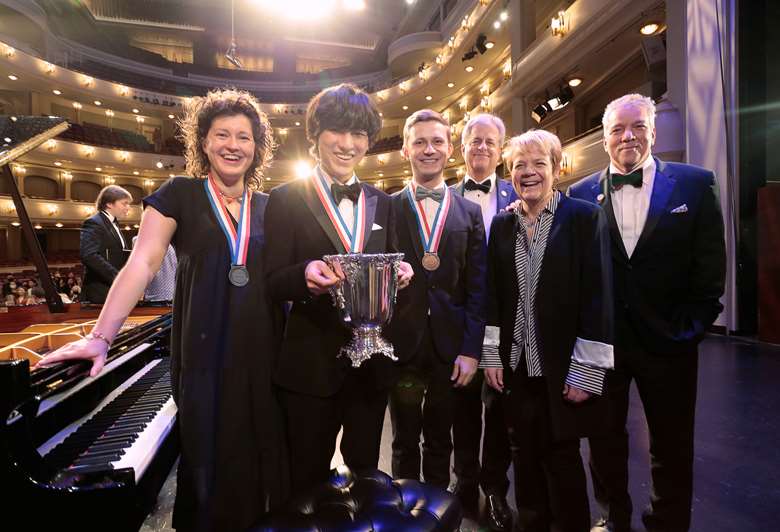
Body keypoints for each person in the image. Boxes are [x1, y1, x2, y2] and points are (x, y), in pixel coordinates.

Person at [39, 88, 289, 531]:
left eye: (245, 137)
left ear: (258, 147)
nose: (234, 144)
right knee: (209, 468)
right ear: (204, 143)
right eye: (222, 134)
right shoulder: (179, 194)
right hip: (204, 356)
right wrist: (101, 336)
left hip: (263, 356)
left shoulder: (271, 206)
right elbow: (142, 262)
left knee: (259, 468)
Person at [568, 93, 726, 532]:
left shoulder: (696, 184)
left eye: (637, 126)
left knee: (672, 443)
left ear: (653, 132)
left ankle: (669, 522)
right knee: (603, 441)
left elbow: (711, 267)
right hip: (605, 345)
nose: (628, 136)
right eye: (617, 129)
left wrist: (690, 330)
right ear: (604, 139)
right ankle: (613, 517)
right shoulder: (579, 195)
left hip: (669, 342)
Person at [264, 83, 413, 493]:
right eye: (337, 131)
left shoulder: (383, 201)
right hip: (310, 366)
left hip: (370, 369)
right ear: (315, 136)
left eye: (359, 134)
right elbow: (272, 280)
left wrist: (402, 274)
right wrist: (304, 274)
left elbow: (395, 258)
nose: (348, 144)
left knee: (367, 475)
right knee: (304, 478)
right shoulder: (283, 198)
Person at [482, 129, 614, 532]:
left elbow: (598, 296)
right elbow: (493, 297)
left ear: (557, 169)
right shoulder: (503, 226)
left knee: (563, 456)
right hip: (517, 367)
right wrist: (491, 355)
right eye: (519, 165)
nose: (529, 172)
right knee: (523, 455)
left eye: (539, 163)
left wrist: (587, 372)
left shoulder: (584, 217)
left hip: (564, 368)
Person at [387, 109, 487, 490]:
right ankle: (406, 516)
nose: (429, 150)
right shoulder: (387, 207)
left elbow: (479, 288)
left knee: (441, 440)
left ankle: (438, 516)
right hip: (402, 344)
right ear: (405, 150)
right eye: (420, 142)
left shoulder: (470, 212)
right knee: (403, 440)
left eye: (437, 142)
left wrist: (471, 350)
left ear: (450, 150)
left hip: (451, 346)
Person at [450, 113, 517, 530]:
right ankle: (464, 483)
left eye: (491, 142)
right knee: (461, 408)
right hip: (461, 321)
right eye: (475, 141)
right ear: (463, 148)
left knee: (499, 409)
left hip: (506, 322)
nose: (482, 148)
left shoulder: (519, 194)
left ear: (501, 151)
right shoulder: (446, 197)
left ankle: (494, 488)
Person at [80, 184, 133, 304]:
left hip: (114, 290)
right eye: (124, 203)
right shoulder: (94, 222)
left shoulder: (114, 224)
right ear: (109, 204)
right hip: (100, 292)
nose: (128, 207)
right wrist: (118, 277)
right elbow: (89, 255)